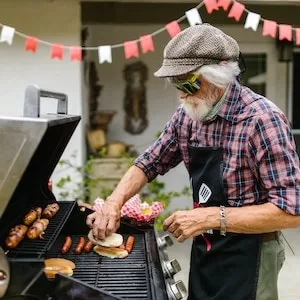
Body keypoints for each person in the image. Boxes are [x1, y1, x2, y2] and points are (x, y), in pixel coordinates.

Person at [86, 24, 300, 300]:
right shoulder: (188, 116)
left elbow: (292, 211)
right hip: (207, 246)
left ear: (219, 76)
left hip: (253, 254)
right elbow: (149, 162)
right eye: (176, 84)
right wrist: (114, 204)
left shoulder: (262, 120)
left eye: (188, 84)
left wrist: (211, 216)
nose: (181, 94)